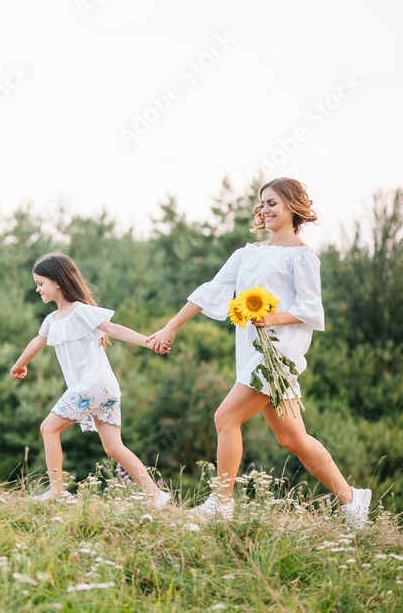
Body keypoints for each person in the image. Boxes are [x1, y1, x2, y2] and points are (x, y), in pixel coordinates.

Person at [146, 177, 372, 529]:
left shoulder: (303, 257)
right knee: (292, 438)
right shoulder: (247, 253)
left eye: (272, 204)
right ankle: (352, 499)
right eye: (262, 203)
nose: (264, 210)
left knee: (225, 418)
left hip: (278, 356)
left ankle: (221, 503)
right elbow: (212, 290)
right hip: (251, 353)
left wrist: (274, 317)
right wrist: (171, 325)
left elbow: (311, 309)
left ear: (293, 207)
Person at [10, 252, 170, 506]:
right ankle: (156, 495)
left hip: (90, 386)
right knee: (113, 448)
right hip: (104, 390)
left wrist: (148, 341)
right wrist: (20, 364)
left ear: (57, 281)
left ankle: (55, 492)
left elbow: (113, 329)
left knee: (48, 428)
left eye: (41, 283)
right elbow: (37, 342)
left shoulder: (80, 311)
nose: (37, 289)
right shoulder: (52, 321)